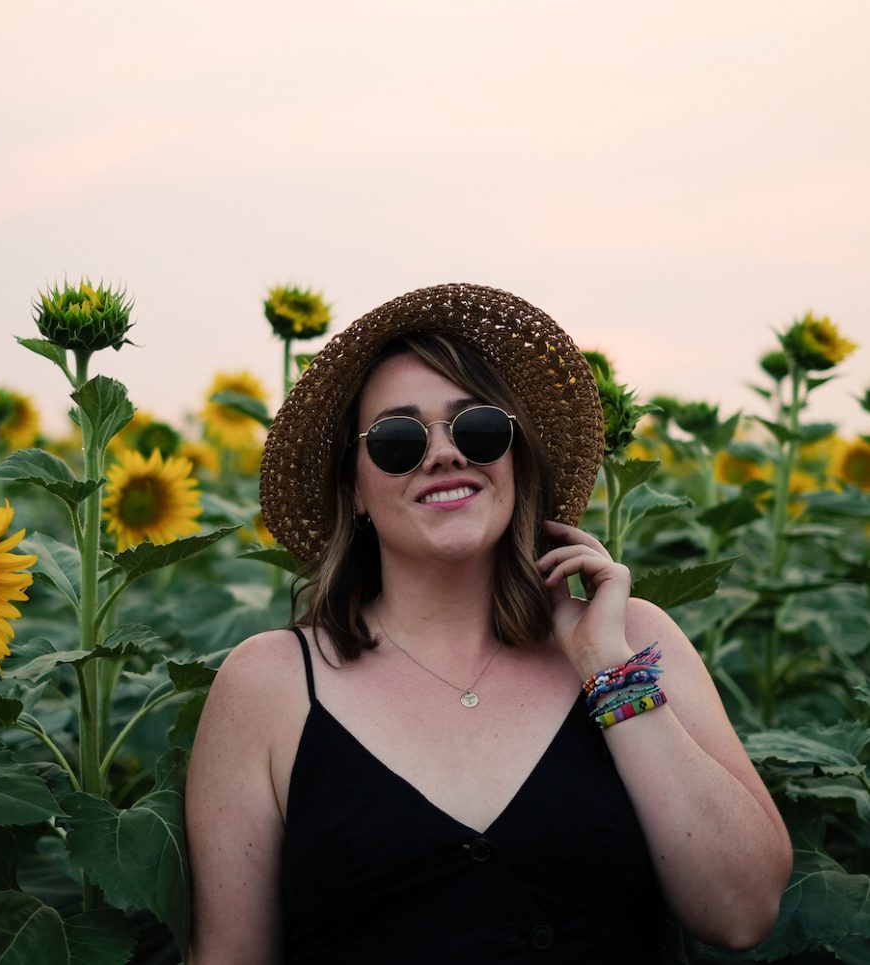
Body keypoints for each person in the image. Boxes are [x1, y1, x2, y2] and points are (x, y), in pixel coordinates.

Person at [185, 283, 792, 964]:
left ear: (515, 456)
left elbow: (742, 911)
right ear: (353, 486)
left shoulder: (634, 641)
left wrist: (607, 670)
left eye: (477, 426)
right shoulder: (270, 685)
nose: (444, 453)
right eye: (397, 438)